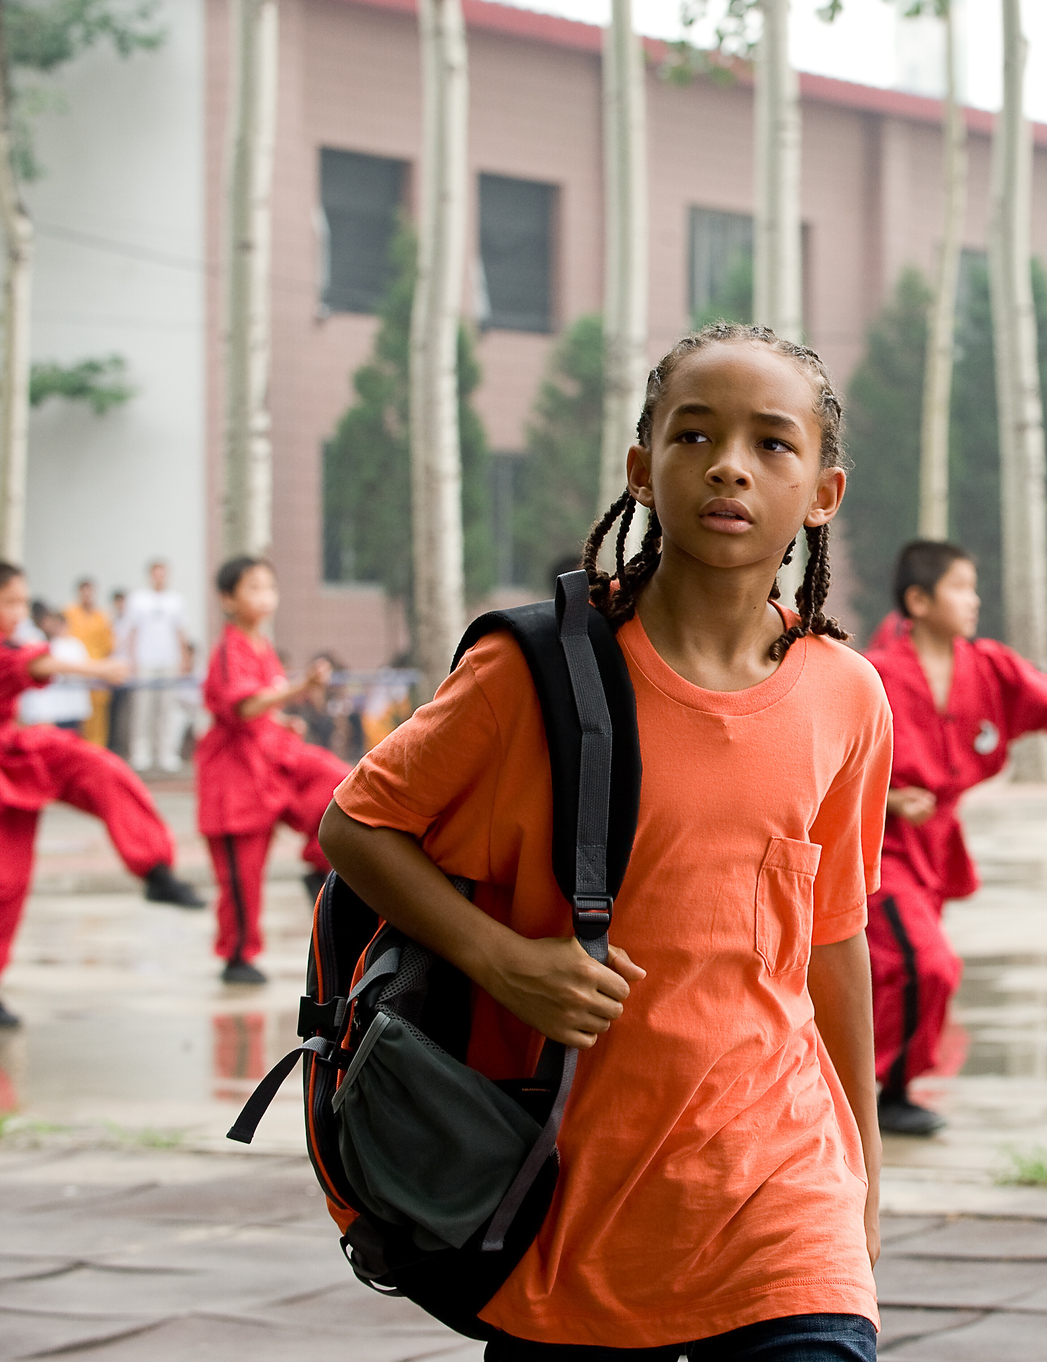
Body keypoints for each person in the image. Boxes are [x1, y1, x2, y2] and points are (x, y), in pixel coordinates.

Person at [318, 323, 886, 1357]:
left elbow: (833, 942)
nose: (728, 465)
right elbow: (356, 824)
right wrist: (503, 960)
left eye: (771, 443)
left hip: (781, 1198)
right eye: (693, 435)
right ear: (641, 467)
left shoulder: (847, 697)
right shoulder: (531, 673)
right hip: (566, 1201)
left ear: (822, 494)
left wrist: (863, 1177)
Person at [868, 540, 1047, 1135]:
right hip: (878, 849)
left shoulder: (987, 664)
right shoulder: (875, 676)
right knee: (927, 965)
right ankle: (884, 1088)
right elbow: (830, 766)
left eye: (973, 586)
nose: (974, 600)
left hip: (935, 848)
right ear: (918, 600)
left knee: (898, 970)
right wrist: (888, 799)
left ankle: (881, 1086)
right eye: (960, 587)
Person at [0, 562, 203, 1028]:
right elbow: (37, 662)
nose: (19, 611)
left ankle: (155, 867)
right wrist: (99, 668)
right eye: (9, 603)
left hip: (12, 747)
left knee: (99, 769)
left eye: (22, 601)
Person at [197, 558, 350, 986]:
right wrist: (298, 690)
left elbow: (261, 709)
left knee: (340, 786)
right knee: (241, 876)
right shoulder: (229, 648)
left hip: (272, 761)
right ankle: (237, 956)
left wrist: (284, 721)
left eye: (269, 587)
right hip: (236, 775)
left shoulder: (261, 647)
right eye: (253, 588)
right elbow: (243, 706)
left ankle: (321, 867)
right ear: (228, 599)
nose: (265, 597)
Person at [118, 560, 191, 774]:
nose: (160, 578)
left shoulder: (176, 601)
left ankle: (166, 753)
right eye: (156, 574)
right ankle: (141, 752)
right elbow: (131, 631)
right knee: (143, 708)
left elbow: (181, 632)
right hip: (144, 662)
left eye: (163, 574)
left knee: (166, 708)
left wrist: (183, 658)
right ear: (150, 575)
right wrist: (131, 660)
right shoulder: (138, 600)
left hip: (168, 661)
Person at [17, 604, 95, 735]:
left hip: (74, 701)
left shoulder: (76, 644)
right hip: (55, 704)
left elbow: (84, 666)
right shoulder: (49, 643)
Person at [62, 577, 115, 746]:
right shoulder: (69, 613)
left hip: (98, 671)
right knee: (75, 713)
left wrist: (107, 670)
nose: (87, 595)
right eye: (84, 590)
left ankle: (97, 749)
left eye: (90, 591)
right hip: (75, 672)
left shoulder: (102, 616)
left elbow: (109, 645)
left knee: (98, 715)